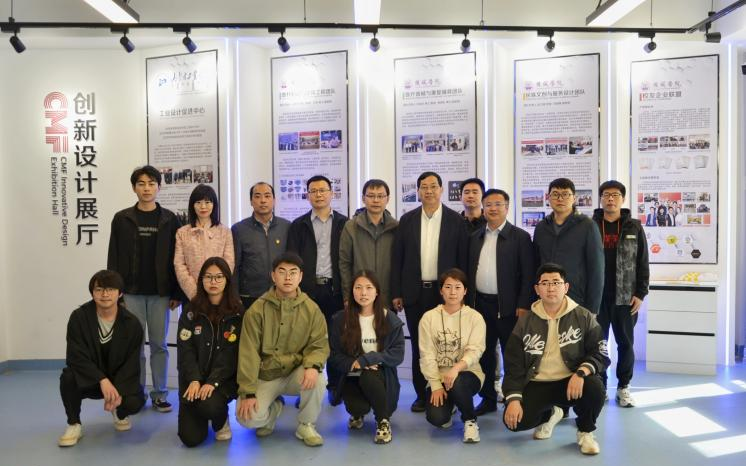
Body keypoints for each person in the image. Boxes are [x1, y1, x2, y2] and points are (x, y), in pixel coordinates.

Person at [503, 263, 609, 456]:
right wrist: (513, 399)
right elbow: (513, 364)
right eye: (545, 283)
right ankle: (551, 414)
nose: (551, 288)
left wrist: (581, 373)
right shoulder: (525, 321)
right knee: (514, 422)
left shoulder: (583, 316)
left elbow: (600, 352)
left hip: (569, 381)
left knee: (595, 388)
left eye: (556, 282)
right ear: (537, 289)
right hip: (537, 382)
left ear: (565, 287)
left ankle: (585, 432)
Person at [391, 171, 469, 412]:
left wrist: (461, 293)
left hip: (445, 294)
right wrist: (397, 292)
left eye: (433, 186)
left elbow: (463, 260)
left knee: (448, 344)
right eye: (424, 187)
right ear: (418, 191)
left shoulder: (456, 221)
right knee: (420, 346)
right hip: (414, 293)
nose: (429, 191)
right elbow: (397, 259)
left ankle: (448, 392)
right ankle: (421, 394)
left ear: (441, 189)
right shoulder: (407, 220)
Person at [107, 165, 181, 413]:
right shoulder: (122, 219)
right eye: (141, 184)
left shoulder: (170, 219)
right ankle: (136, 393)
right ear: (134, 188)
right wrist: (116, 294)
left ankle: (160, 394)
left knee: (159, 345)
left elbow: (177, 258)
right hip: (131, 293)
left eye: (151, 183)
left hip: (161, 294)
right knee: (135, 346)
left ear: (159, 187)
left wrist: (176, 292)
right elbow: (113, 257)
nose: (146, 188)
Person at [235, 252, 330, 447]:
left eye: (293, 272)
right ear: (273, 276)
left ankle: (306, 424)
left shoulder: (312, 309)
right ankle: (274, 409)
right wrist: (248, 392)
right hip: (266, 375)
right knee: (246, 418)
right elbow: (248, 354)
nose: (288, 278)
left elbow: (319, 344)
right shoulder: (257, 310)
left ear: (300, 277)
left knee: (318, 377)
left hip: (296, 373)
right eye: (282, 272)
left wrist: (312, 366)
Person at [58, 270, 146, 447]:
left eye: (110, 289)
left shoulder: (131, 323)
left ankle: (119, 412)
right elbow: (76, 356)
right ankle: (74, 424)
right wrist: (102, 380)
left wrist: (117, 393)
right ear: (92, 292)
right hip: (90, 380)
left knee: (135, 402)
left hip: (117, 381)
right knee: (68, 377)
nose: (105, 294)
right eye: (99, 289)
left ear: (120, 293)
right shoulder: (79, 317)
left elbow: (131, 364)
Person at [468, 189, 535, 416]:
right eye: (488, 204)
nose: (493, 208)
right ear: (483, 208)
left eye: (498, 204)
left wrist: (523, 304)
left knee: (512, 356)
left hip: (510, 308)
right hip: (480, 306)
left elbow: (528, 274)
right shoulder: (475, 237)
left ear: (507, 207)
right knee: (485, 355)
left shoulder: (520, 237)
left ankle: (512, 398)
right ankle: (487, 398)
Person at [287, 175, 348, 401]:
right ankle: (305, 388)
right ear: (308, 195)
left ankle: (335, 387)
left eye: (323, 190)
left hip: (335, 290)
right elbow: (292, 261)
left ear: (332, 193)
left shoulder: (344, 223)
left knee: (336, 339)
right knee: (305, 339)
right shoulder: (299, 225)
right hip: (307, 292)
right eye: (314, 191)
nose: (319, 195)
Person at [328, 271, 405, 444]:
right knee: (357, 407)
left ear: (377, 292)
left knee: (369, 376)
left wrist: (367, 360)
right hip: (352, 373)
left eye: (369, 288)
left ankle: (383, 420)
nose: (363, 293)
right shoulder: (340, 319)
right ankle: (358, 414)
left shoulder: (389, 318)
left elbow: (397, 354)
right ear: (352, 291)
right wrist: (355, 363)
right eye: (358, 288)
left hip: (381, 375)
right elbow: (333, 355)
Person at [592, 181, 649, 407]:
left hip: (626, 297)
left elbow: (642, 261)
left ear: (622, 199)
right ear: (601, 198)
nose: (610, 199)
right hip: (596, 298)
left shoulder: (634, 226)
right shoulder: (590, 225)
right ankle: (600, 386)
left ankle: (624, 387)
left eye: (615, 195)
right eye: (606, 195)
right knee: (598, 344)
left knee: (625, 344)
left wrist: (640, 293)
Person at [176, 257, 244, 447]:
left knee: (210, 406)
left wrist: (212, 382)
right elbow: (185, 349)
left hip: (222, 381)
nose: (213, 282)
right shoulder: (190, 310)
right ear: (201, 280)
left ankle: (220, 420)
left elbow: (231, 355)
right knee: (190, 439)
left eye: (219, 277)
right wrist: (194, 379)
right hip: (193, 381)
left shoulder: (237, 312)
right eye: (208, 277)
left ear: (227, 280)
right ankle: (201, 413)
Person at [419, 268, 486, 443]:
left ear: (465, 291)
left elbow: (475, 350)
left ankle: (470, 421)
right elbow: (427, 355)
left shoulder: (475, 317)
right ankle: (453, 404)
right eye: (448, 287)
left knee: (457, 382)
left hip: (468, 374)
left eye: (458, 287)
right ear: (441, 290)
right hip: (439, 376)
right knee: (437, 418)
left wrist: (456, 369)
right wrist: (435, 385)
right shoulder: (428, 318)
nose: (453, 292)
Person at [533, 178, 604, 314]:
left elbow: (596, 270)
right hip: (545, 300)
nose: (560, 198)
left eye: (565, 194)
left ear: (574, 198)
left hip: (576, 300)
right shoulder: (541, 227)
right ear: (548, 198)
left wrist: (593, 309)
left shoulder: (587, 226)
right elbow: (536, 264)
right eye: (555, 194)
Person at [339, 179, 398, 309]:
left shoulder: (396, 227)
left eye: (380, 196)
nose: (376, 200)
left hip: (387, 297)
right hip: (360, 296)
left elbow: (400, 265)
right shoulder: (351, 227)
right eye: (371, 196)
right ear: (363, 198)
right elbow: (344, 264)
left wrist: (398, 294)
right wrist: (347, 296)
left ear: (387, 199)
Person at [232, 182, 290, 310]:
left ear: (274, 200)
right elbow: (235, 266)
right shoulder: (239, 229)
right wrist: (235, 296)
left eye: (267, 196)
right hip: (249, 296)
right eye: (257, 196)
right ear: (251, 201)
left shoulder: (286, 227)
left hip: (280, 293)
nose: (263, 200)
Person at [174, 184, 234, 301]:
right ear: (192, 205)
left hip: (219, 294)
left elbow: (229, 263)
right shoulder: (182, 233)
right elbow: (179, 265)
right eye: (198, 202)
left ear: (214, 204)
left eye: (207, 202)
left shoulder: (225, 231)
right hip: (191, 295)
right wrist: (194, 292)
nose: (203, 206)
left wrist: (216, 286)